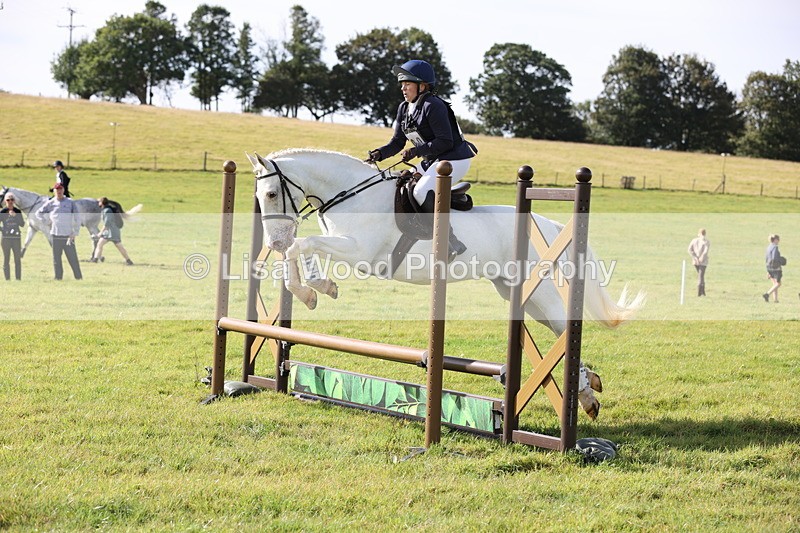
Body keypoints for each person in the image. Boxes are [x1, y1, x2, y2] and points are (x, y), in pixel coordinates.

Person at [366, 59, 477, 257]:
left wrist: (416, 151)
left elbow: (445, 141)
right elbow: (397, 142)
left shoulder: (433, 105)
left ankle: (451, 242)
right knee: (401, 183)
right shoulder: (404, 108)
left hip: (454, 160)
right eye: (402, 84)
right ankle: (415, 229)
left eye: (407, 84)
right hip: (433, 161)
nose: (403, 88)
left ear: (422, 86)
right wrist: (379, 154)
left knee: (420, 191)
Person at [36, 182, 82, 280]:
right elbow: (38, 213)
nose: (59, 191)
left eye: (60, 189)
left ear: (63, 190)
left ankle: (78, 277)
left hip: (68, 235)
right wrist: (46, 221)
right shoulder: (51, 203)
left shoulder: (70, 202)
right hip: (55, 234)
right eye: (57, 189)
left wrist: (75, 232)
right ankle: (58, 277)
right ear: (54, 191)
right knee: (56, 258)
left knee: (72, 258)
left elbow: (77, 217)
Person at [90, 197, 133, 265]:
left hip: (112, 232)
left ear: (102, 203)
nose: (98, 203)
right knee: (100, 244)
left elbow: (107, 223)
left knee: (119, 246)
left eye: (99, 202)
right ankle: (95, 259)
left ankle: (128, 260)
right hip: (109, 232)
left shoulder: (107, 211)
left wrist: (100, 233)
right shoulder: (106, 210)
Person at [0, 193, 25, 280]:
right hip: (6, 238)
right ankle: (7, 279)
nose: (10, 202)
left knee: (17, 258)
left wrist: (15, 216)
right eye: (8, 200)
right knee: (6, 258)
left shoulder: (17, 211)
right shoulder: (2, 212)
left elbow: (22, 224)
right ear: (5, 201)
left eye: (12, 200)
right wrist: (3, 230)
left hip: (16, 238)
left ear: (14, 201)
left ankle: (18, 278)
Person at [687, 228, 710, 296]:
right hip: (703, 261)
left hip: (695, 261)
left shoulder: (694, 240)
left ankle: (703, 291)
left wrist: (695, 257)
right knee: (701, 275)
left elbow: (689, 250)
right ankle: (700, 292)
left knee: (701, 275)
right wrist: (701, 257)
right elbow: (705, 251)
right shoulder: (706, 241)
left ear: (699, 233)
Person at [763, 234, 784, 303]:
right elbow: (774, 258)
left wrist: (768, 271)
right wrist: (780, 261)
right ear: (775, 240)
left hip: (769, 267)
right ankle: (767, 294)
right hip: (775, 268)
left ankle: (775, 299)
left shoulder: (768, 247)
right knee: (778, 283)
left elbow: (767, 258)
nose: (779, 241)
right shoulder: (775, 247)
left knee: (774, 284)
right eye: (778, 239)